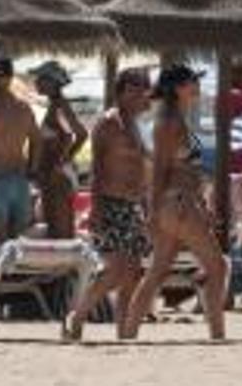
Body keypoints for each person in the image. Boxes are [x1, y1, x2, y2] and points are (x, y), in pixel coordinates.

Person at [122, 65, 227, 341]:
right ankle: (217, 333)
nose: (197, 86)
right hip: (177, 203)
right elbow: (159, 169)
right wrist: (153, 210)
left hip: (176, 202)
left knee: (158, 270)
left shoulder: (172, 117)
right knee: (217, 266)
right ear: (178, 87)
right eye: (193, 81)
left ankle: (128, 333)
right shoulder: (169, 120)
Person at [62, 67, 153, 342]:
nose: (140, 94)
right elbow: (98, 170)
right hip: (111, 202)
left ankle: (123, 331)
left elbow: (144, 168)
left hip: (134, 205)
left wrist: (147, 207)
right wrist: (97, 210)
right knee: (115, 270)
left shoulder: (137, 124)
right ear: (121, 91)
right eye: (134, 88)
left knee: (133, 272)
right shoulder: (108, 123)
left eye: (143, 88)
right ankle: (77, 316)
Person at [0, 57, 41, 244]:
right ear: (11, 77)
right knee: (19, 243)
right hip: (19, 177)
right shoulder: (24, 109)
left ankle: (3, 274)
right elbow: (37, 141)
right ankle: (17, 274)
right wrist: (32, 169)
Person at [29, 60, 88, 239]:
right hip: (53, 175)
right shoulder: (55, 107)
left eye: (41, 79)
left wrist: (62, 161)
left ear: (52, 82)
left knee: (60, 229)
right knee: (55, 227)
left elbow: (80, 134)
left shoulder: (60, 107)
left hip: (58, 177)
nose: (36, 82)